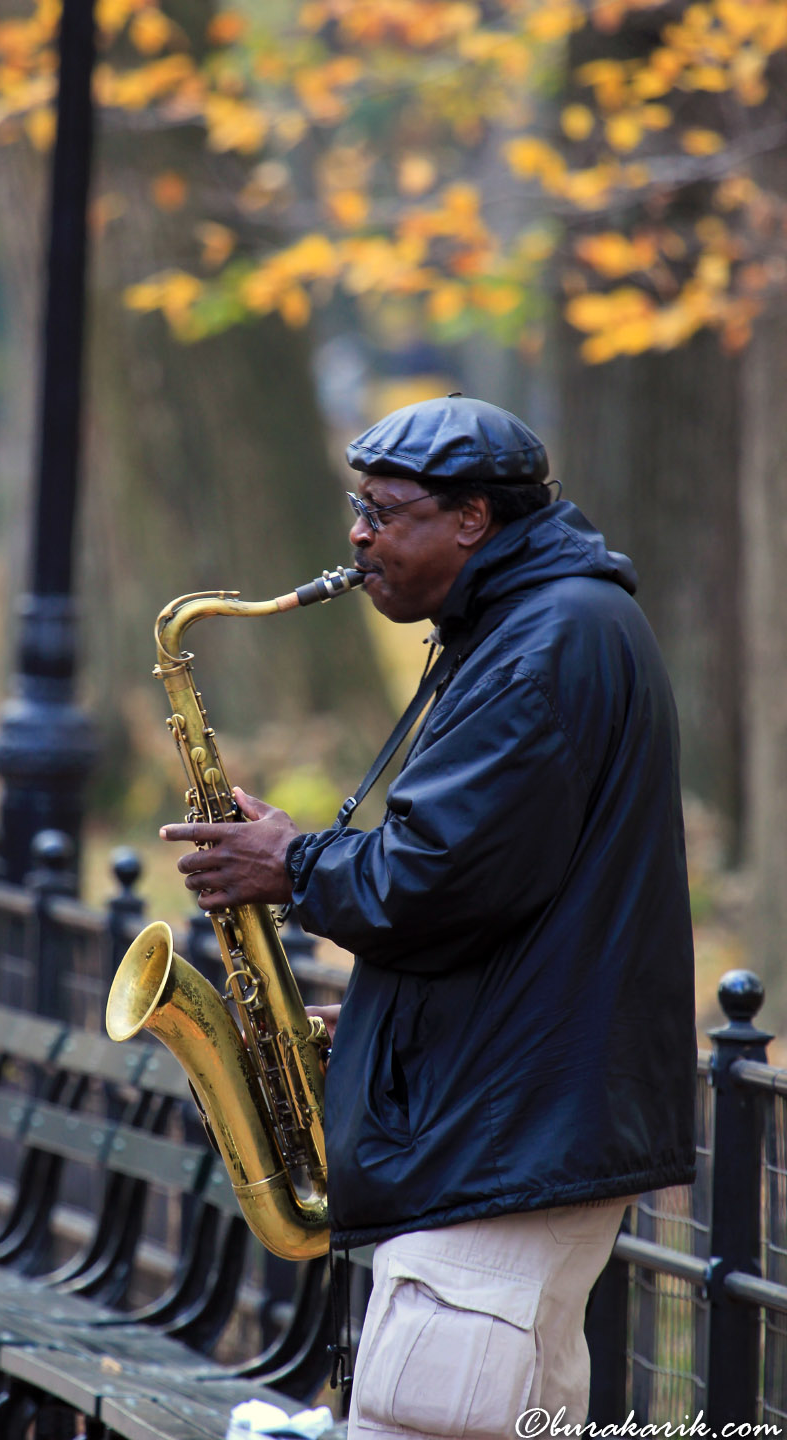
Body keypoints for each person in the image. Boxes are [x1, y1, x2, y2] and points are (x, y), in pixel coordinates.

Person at [160, 395, 697, 1438]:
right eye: (358, 509)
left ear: (472, 521)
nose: (358, 537)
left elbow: (438, 881)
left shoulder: (541, 644)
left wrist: (294, 862)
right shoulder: (533, 624)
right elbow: (499, 885)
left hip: (503, 1144)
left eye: (385, 512)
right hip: (515, 1124)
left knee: (426, 1414)